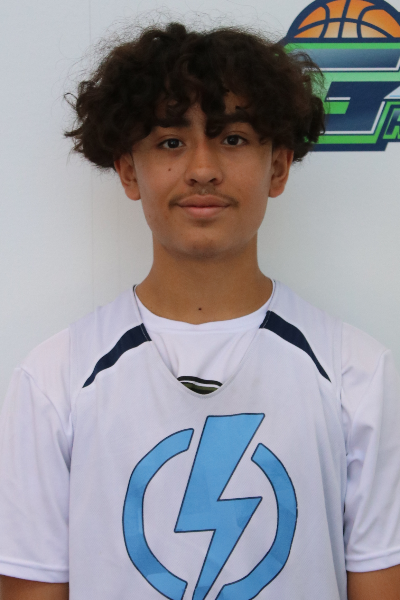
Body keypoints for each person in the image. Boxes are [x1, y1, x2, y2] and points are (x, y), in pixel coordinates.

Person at [0, 21, 399, 600]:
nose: (203, 168)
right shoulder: (52, 380)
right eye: (170, 141)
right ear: (129, 170)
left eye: (232, 139)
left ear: (278, 167)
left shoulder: (358, 373)